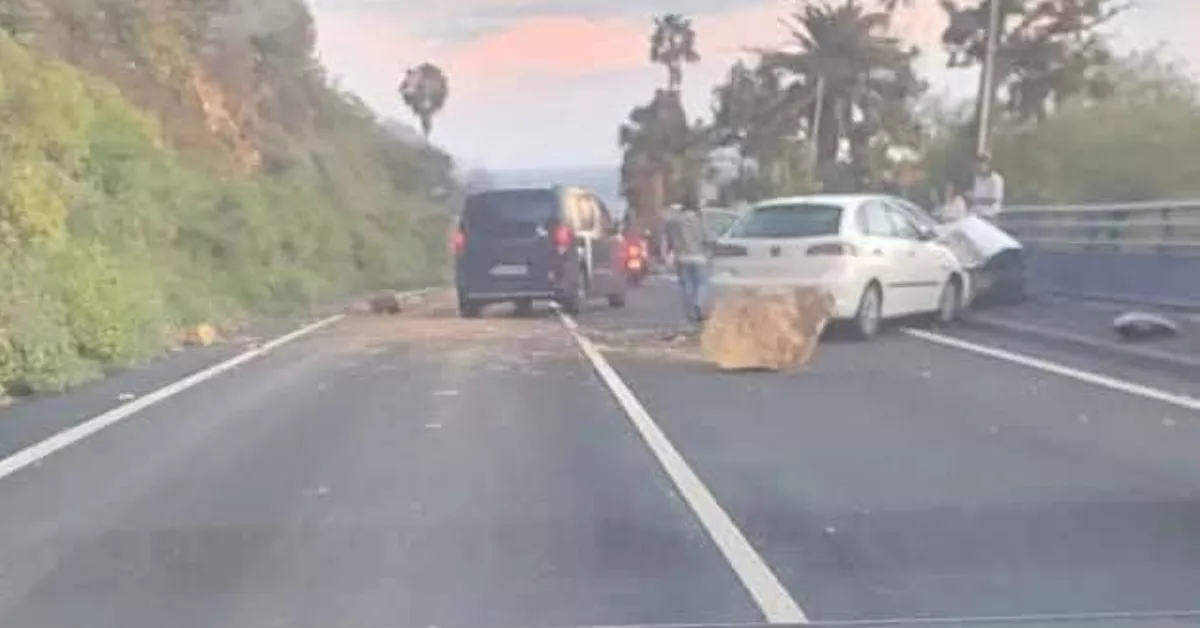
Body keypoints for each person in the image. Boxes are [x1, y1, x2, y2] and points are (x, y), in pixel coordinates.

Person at [662, 190, 710, 323]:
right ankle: (698, 304)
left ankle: (689, 312)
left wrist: (667, 255)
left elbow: (668, 239)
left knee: (686, 285)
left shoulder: (675, 221)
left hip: (681, 256)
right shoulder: (699, 219)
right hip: (698, 256)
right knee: (701, 284)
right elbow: (707, 237)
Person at [967, 152, 1005, 217]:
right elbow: (976, 194)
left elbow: (994, 200)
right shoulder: (977, 179)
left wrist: (976, 200)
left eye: (980, 165)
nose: (977, 168)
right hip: (975, 212)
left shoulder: (996, 179)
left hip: (990, 213)